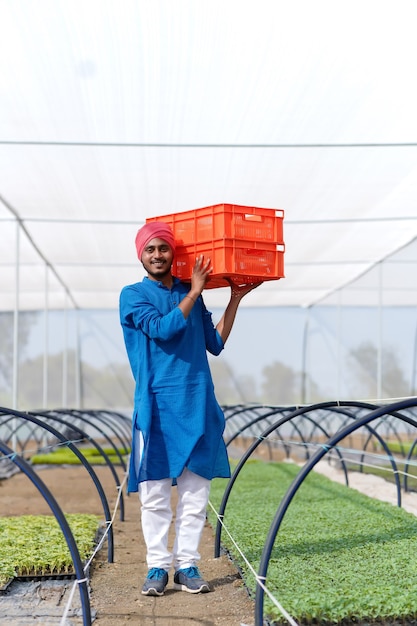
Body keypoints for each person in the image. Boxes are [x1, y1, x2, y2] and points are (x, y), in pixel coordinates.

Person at [119, 221, 259, 597]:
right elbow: (163, 329)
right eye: (150, 249)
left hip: (196, 401)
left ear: (173, 253)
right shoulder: (133, 296)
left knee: (196, 492)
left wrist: (235, 299)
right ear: (141, 255)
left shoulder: (189, 294)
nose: (158, 255)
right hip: (156, 407)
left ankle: (186, 565)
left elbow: (214, 343)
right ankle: (157, 567)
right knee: (155, 492)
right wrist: (196, 291)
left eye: (164, 248)